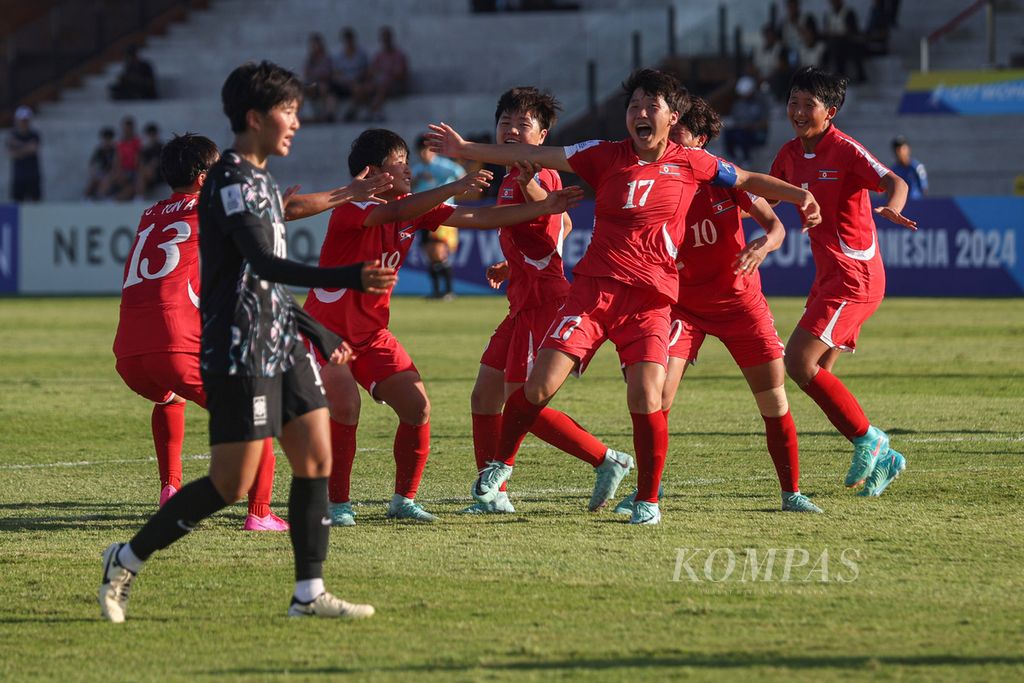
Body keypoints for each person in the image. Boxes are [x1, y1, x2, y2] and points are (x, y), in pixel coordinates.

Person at [426, 68, 821, 525]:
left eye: (650, 107)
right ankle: (501, 467)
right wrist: (465, 150)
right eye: (633, 106)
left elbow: (748, 179)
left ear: (672, 117)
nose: (639, 114)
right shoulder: (601, 154)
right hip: (593, 293)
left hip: (651, 301)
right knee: (536, 387)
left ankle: (648, 501)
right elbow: (539, 153)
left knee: (646, 395)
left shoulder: (694, 163)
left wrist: (799, 195)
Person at [98, 60, 398, 623]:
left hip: (279, 337)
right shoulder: (229, 180)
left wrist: (314, 327)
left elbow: (259, 273)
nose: (297, 123)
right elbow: (263, 261)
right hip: (239, 347)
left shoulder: (257, 179)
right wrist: (348, 278)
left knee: (315, 458)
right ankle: (127, 557)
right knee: (231, 483)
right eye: (289, 112)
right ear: (255, 117)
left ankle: (308, 592)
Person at [303, 127, 584, 527]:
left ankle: (403, 501)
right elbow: (399, 212)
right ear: (373, 173)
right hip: (326, 335)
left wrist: (545, 207)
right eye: (400, 165)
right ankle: (338, 504)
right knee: (346, 406)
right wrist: (456, 183)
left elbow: (481, 216)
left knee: (417, 408)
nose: (409, 171)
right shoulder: (354, 208)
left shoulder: (406, 207)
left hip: (371, 335)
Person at [611, 97, 821, 515]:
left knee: (774, 400)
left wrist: (767, 243)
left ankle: (792, 493)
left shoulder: (721, 176)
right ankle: (646, 494)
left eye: (681, 134)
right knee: (655, 396)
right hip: (682, 307)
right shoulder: (662, 176)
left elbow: (774, 224)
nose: (672, 141)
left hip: (740, 304)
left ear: (701, 141)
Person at [468, 86, 634, 515]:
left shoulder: (539, 174)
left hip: (543, 302)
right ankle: (494, 495)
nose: (511, 130)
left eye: (523, 125)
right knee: (486, 396)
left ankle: (606, 459)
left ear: (542, 137)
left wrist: (529, 184)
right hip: (522, 298)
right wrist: (512, 267)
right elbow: (556, 225)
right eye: (505, 122)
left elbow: (547, 205)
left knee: (524, 404)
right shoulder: (514, 176)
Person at [113, 132, 291, 531]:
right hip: (171, 346)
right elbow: (287, 209)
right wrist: (348, 192)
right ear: (201, 177)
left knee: (169, 396)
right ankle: (260, 515)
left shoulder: (150, 213)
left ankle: (170, 489)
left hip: (127, 354)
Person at [770, 67, 916, 499]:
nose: (797, 111)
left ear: (830, 112)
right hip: (828, 277)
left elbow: (896, 181)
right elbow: (764, 196)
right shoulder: (789, 154)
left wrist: (891, 206)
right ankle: (876, 450)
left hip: (855, 277)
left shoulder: (845, 149)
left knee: (797, 361)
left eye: (807, 104)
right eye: (793, 101)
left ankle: (873, 441)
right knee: (815, 374)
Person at [410, 133, 466, 299]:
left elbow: (461, 175)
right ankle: (436, 291)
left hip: (443, 213)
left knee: (439, 251)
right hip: (422, 215)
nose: (423, 154)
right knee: (429, 253)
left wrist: (445, 183)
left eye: (426, 150)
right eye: (420, 151)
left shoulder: (444, 166)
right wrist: (417, 179)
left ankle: (448, 290)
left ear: (433, 151)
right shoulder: (417, 169)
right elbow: (409, 187)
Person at [346, 26, 408, 122]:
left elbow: (399, 75)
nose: (386, 41)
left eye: (387, 38)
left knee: (383, 86)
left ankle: (373, 110)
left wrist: (385, 74)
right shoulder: (379, 56)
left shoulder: (399, 55)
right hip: (379, 84)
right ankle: (353, 110)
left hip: (395, 86)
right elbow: (371, 72)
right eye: (384, 38)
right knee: (365, 87)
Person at [724, 76, 769, 164]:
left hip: (756, 133)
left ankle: (747, 158)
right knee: (728, 133)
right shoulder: (738, 104)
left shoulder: (760, 103)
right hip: (741, 129)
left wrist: (750, 126)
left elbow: (765, 123)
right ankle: (732, 157)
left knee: (742, 134)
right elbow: (735, 119)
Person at [823, 0, 866, 83]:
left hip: (847, 42)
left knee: (841, 46)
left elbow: (852, 31)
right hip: (833, 43)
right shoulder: (828, 14)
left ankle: (846, 75)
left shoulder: (848, 13)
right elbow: (826, 31)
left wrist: (839, 34)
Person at [6, 105, 41, 202]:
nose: (24, 123)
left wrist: (18, 146)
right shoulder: (13, 134)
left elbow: (34, 148)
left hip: (33, 176)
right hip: (19, 176)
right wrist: (27, 147)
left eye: (26, 120)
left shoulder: (34, 134)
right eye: (22, 120)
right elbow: (11, 154)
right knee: (17, 202)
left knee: (36, 203)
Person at [303, 32, 337, 122]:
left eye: (315, 44)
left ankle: (325, 114)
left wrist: (318, 76)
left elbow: (328, 74)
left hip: (326, 85)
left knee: (323, 87)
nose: (314, 47)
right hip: (314, 84)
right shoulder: (310, 60)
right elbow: (307, 74)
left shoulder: (326, 59)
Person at [332, 27, 369, 104]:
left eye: (350, 39)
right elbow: (337, 73)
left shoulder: (361, 55)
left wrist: (356, 79)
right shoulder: (340, 57)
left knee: (358, 88)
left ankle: (353, 109)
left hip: (358, 82)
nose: (349, 42)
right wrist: (345, 81)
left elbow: (366, 71)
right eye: (346, 40)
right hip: (344, 84)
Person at [113, 116, 143, 201]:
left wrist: (137, 170)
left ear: (132, 129)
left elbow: (139, 159)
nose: (126, 131)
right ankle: (103, 195)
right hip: (124, 171)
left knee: (137, 179)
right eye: (125, 129)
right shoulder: (120, 143)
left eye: (128, 129)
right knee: (111, 177)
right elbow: (118, 159)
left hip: (134, 171)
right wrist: (118, 172)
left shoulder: (137, 142)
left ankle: (138, 195)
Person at [84, 127, 117, 200]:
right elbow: (92, 165)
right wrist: (94, 174)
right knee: (92, 182)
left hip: (112, 174)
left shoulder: (115, 150)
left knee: (106, 180)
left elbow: (116, 166)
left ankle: (100, 197)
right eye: (105, 139)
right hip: (102, 173)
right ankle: (85, 198)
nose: (107, 141)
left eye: (109, 139)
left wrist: (109, 174)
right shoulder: (99, 151)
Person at [135, 122, 164, 199]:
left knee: (146, 171)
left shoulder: (161, 147)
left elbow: (157, 162)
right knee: (141, 173)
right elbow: (141, 164)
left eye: (153, 135)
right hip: (147, 175)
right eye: (149, 135)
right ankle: (140, 195)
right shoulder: (145, 149)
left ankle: (140, 196)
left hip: (158, 174)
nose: (151, 137)